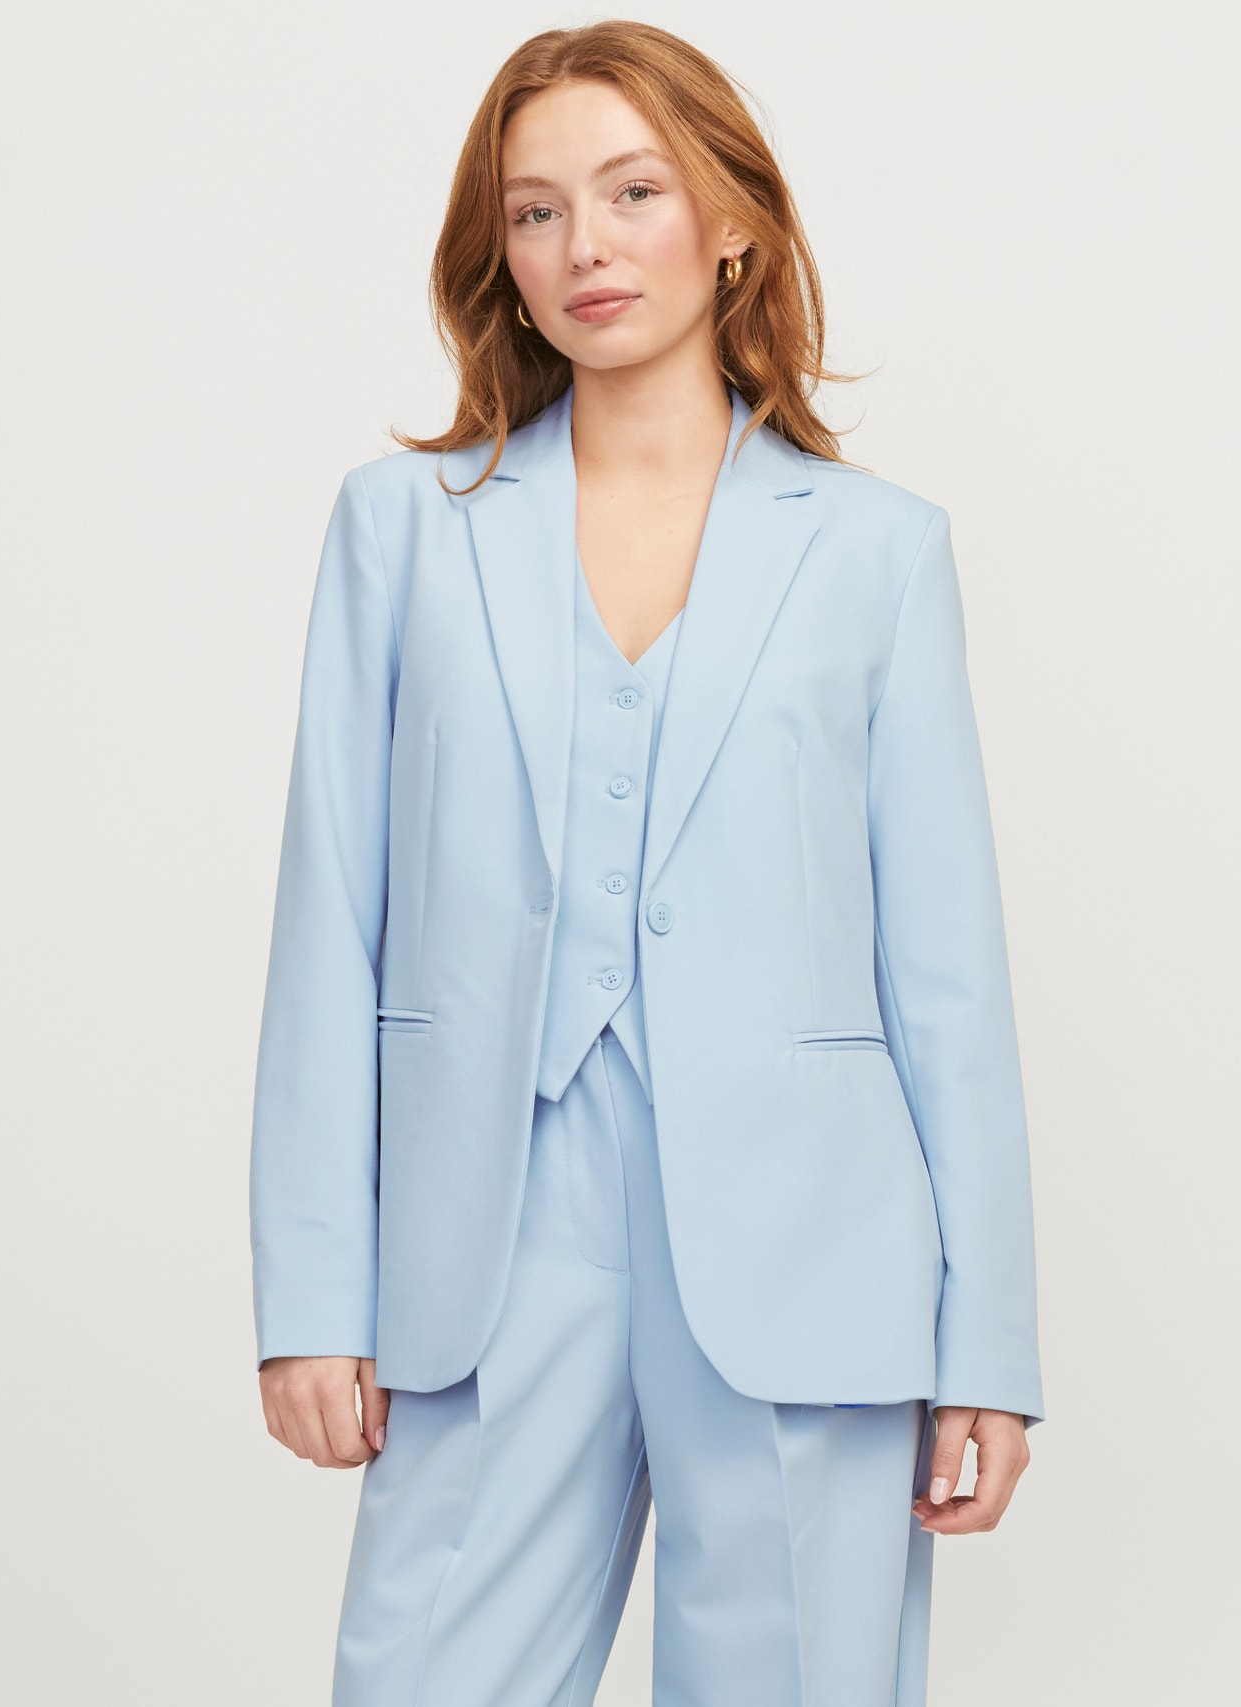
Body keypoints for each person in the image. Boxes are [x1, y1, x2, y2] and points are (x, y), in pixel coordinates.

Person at [248, 20, 1045, 1706]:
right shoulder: (403, 531)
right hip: (489, 1233)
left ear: (733, 220)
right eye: (535, 213)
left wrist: (989, 1338)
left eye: (632, 193)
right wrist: (312, 1293)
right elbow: (331, 926)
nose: (583, 247)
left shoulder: (879, 553)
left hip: (811, 1245)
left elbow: (948, 975)